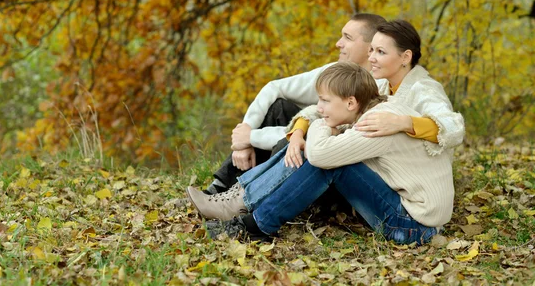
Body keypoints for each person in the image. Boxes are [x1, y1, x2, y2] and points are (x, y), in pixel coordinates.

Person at [187, 20, 464, 225]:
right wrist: (298, 131)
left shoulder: (424, 90)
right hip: (383, 170)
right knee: (302, 135)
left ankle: (247, 209)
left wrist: (405, 122)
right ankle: (234, 195)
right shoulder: (379, 84)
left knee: (322, 156)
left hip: (408, 185)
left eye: (380, 52)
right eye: (372, 51)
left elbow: (453, 128)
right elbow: (323, 110)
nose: (371, 58)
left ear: (405, 57)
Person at [204, 61, 457, 245]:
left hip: (413, 226)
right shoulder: (377, 106)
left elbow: (320, 156)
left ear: (350, 103)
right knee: (318, 149)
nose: (319, 107)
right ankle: (242, 200)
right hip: (412, 210)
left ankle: (254, 224)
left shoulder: (376, 125)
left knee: (327, 162)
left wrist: (318, 124)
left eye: (325, 101)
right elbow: (318, 123)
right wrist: (302, 132)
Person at [204, 13, 387, 194]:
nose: (338, 43)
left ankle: (248, 195)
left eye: (347, 38)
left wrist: (251, 136)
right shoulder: (336, 73)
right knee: (279, 108)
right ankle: (221, 186)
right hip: (309, 145)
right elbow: (274, 88)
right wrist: (244, 138)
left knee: (294, 138)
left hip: (332, 170)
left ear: (370, 47)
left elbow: (327, 134)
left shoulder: (380, 88)